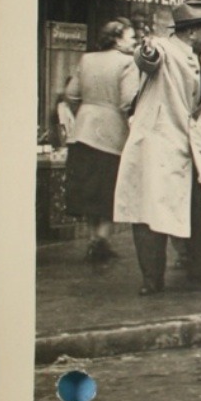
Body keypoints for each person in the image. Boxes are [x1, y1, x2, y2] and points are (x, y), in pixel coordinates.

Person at [113, 0, 201, 295]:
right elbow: (147, 59)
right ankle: (152, 279)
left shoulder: (198, 53)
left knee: (198, 209)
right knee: (150, 213)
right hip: (157, 145)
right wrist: (146, 50)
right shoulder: (164, 48)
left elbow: (196, 101)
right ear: (191, 31)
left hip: (187, 146)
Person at [58, 18, 141, 263]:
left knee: (89, 190)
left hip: (83, 131)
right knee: (107, 190)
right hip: (111, 134)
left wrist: (88, 107)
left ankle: (94, 239)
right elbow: (128, 100)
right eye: (131, 36)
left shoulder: (87, 59)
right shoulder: (128, 63)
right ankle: (101, 241)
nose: (135, 41)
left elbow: (71, 94)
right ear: (117, 38)